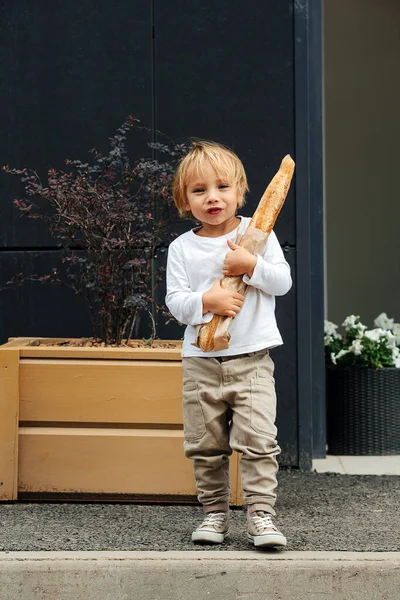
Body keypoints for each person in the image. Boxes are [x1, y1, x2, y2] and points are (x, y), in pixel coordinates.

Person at [165, 140, 292, 548]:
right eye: (199, 190)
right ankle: (214, 515)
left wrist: (250, 265)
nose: (212, 197)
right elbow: (176, 303)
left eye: (222, 187)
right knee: (206, 445)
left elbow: (282, 282)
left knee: (258, 442)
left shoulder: (258, 234)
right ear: (184, 200)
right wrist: (207, 301)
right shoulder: (182, 248)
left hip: (252, 361)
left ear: (240, 190)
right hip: (200, 363)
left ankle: (260, 515)